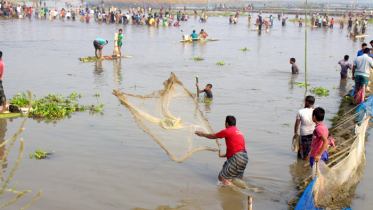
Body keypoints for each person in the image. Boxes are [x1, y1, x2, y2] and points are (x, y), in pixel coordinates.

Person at [195, 116, 248, 186]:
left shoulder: (227, 131)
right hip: (244, 157)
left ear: (227, 123)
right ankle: (243, 189)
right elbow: (237, 149)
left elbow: (212, 136)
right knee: (238, 179)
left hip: (237, 157)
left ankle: (236, 190)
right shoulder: (239, 132)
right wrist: (223, 155)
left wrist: (202, 134)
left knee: (221, 177)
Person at [293, 96, 316, 160]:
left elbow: (297, 123)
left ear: (307, 103)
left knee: (301, 151)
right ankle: (304, 164)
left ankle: (302, 165)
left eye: (305, 101)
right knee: (309, 151)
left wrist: (295, 133)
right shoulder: (315, 111)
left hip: (304, 134)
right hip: (313, 134)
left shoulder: (300, 111)